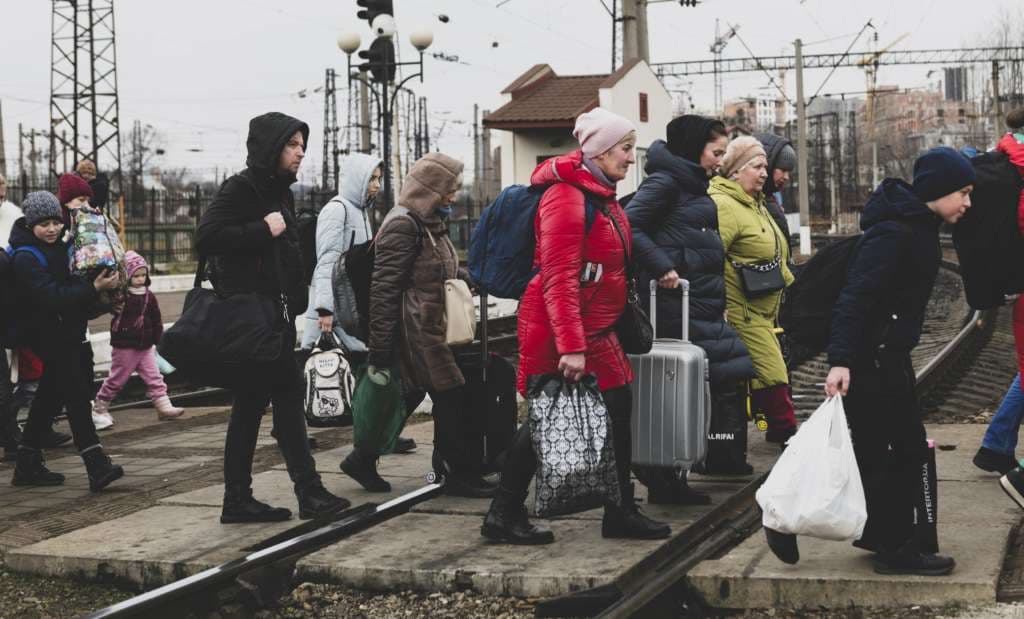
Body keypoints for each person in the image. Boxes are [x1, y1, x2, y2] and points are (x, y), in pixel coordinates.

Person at [481, 107, 670, 545]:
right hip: (559, 330)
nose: (630, 157)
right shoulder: (566, 198)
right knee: (547, 419)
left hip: (597, 330)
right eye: (625, 149)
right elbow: (558, 279)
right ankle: (503, 513)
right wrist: (571, 346)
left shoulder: (601, 195)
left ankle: (620, 509)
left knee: (618, 407)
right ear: (601, 151)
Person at [816, 147, 973, 575]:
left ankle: (883, 536)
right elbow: (856, 296)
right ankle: (897, 549)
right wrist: (841, 360)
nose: (967, 202)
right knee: (896, 450)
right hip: (874, 361)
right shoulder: (895, 234)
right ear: (938, 190)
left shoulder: (917, 227)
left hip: (889, 356)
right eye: (962, 191)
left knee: (887, 448)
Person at [196, 112, 350, 523]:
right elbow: (207, 237)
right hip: (253, 320)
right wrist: (262, 230)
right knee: (272, 404)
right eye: (292, 144)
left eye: (302, 145)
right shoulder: (242, 188)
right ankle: (304, 492)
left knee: (263, 405)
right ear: (271, 147)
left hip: (274, 318)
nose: (301, 152)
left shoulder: (280, 192)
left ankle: (246, 498)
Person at [625, 115, 756, 497]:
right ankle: (663, 474)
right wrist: (661, 265)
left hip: (698, 304)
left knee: (713, 378)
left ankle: (683, 467)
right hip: (674, 307)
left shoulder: (694, 186)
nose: (720, 160)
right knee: (680, 386)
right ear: (692, 148)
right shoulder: (667, 183)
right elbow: (629, 224)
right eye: (716, 152)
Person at [367, 152, 492, 497]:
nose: (454, 195)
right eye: (449, 189)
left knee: (411, 396)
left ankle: (362, 458)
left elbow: (440, 267)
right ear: (431, 188)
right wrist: (380, 347)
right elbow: (383, 288)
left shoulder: (430, 221)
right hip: (417, 328)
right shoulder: (402, 224)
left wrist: (469, 278)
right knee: (451, 394)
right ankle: (459, 475)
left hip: (432, 323)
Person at [7, 191, 124, 491]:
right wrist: (92, 288)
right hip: (45, 335)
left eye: (56, 222)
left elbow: (73, 294)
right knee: (75, 395)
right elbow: (51, 298)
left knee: (50, 395)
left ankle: (27, 464)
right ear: (30, 224)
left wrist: (103, 302)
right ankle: (96, 465)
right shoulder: (25, 256)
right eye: (44, 224)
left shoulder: (60, 249)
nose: (52, 229)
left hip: (65, 332)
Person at [711, 136, 796, 445]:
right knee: (773, 373)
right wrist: (719, 304)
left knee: (762, 374)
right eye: (757, 166)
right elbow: (711, 258)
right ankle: (786, 434)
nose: (764, 173)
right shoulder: (725, 206)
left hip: (762, 307)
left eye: (764, 166)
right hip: (742, 310)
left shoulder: (754, 203)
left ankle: (771, 432)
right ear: (736, 170)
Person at [92, 251, 185, 424]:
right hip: (125, 345)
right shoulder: (121, 296)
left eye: (143, 275)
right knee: (117, 379)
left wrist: (159, 341)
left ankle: (164, 407)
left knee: (154, 376)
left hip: (145, 346)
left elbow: (156, 319)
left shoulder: (149, 296)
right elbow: (108, 305)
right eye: (136, 276)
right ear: (127, 276)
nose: (141, 279)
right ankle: (99, 407)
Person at [753, 132, 797, 241]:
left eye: (788, 172)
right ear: (769, 165)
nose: (786, 177)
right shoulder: (752, 202)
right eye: (783, 170)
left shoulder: (769, 199)